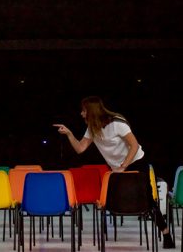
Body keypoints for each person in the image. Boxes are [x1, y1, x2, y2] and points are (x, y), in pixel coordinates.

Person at [54, 96, 175, 249]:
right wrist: (69, 134)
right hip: (117, 168)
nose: (81, 114)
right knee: (110, 200)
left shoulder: (117, 123)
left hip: (136, 161)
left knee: (147, 200)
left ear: (91, 111)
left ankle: (166, 234)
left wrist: (123, 166)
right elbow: (80, 149)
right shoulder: (92, 128)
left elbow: (135, 145)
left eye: (84, 111)